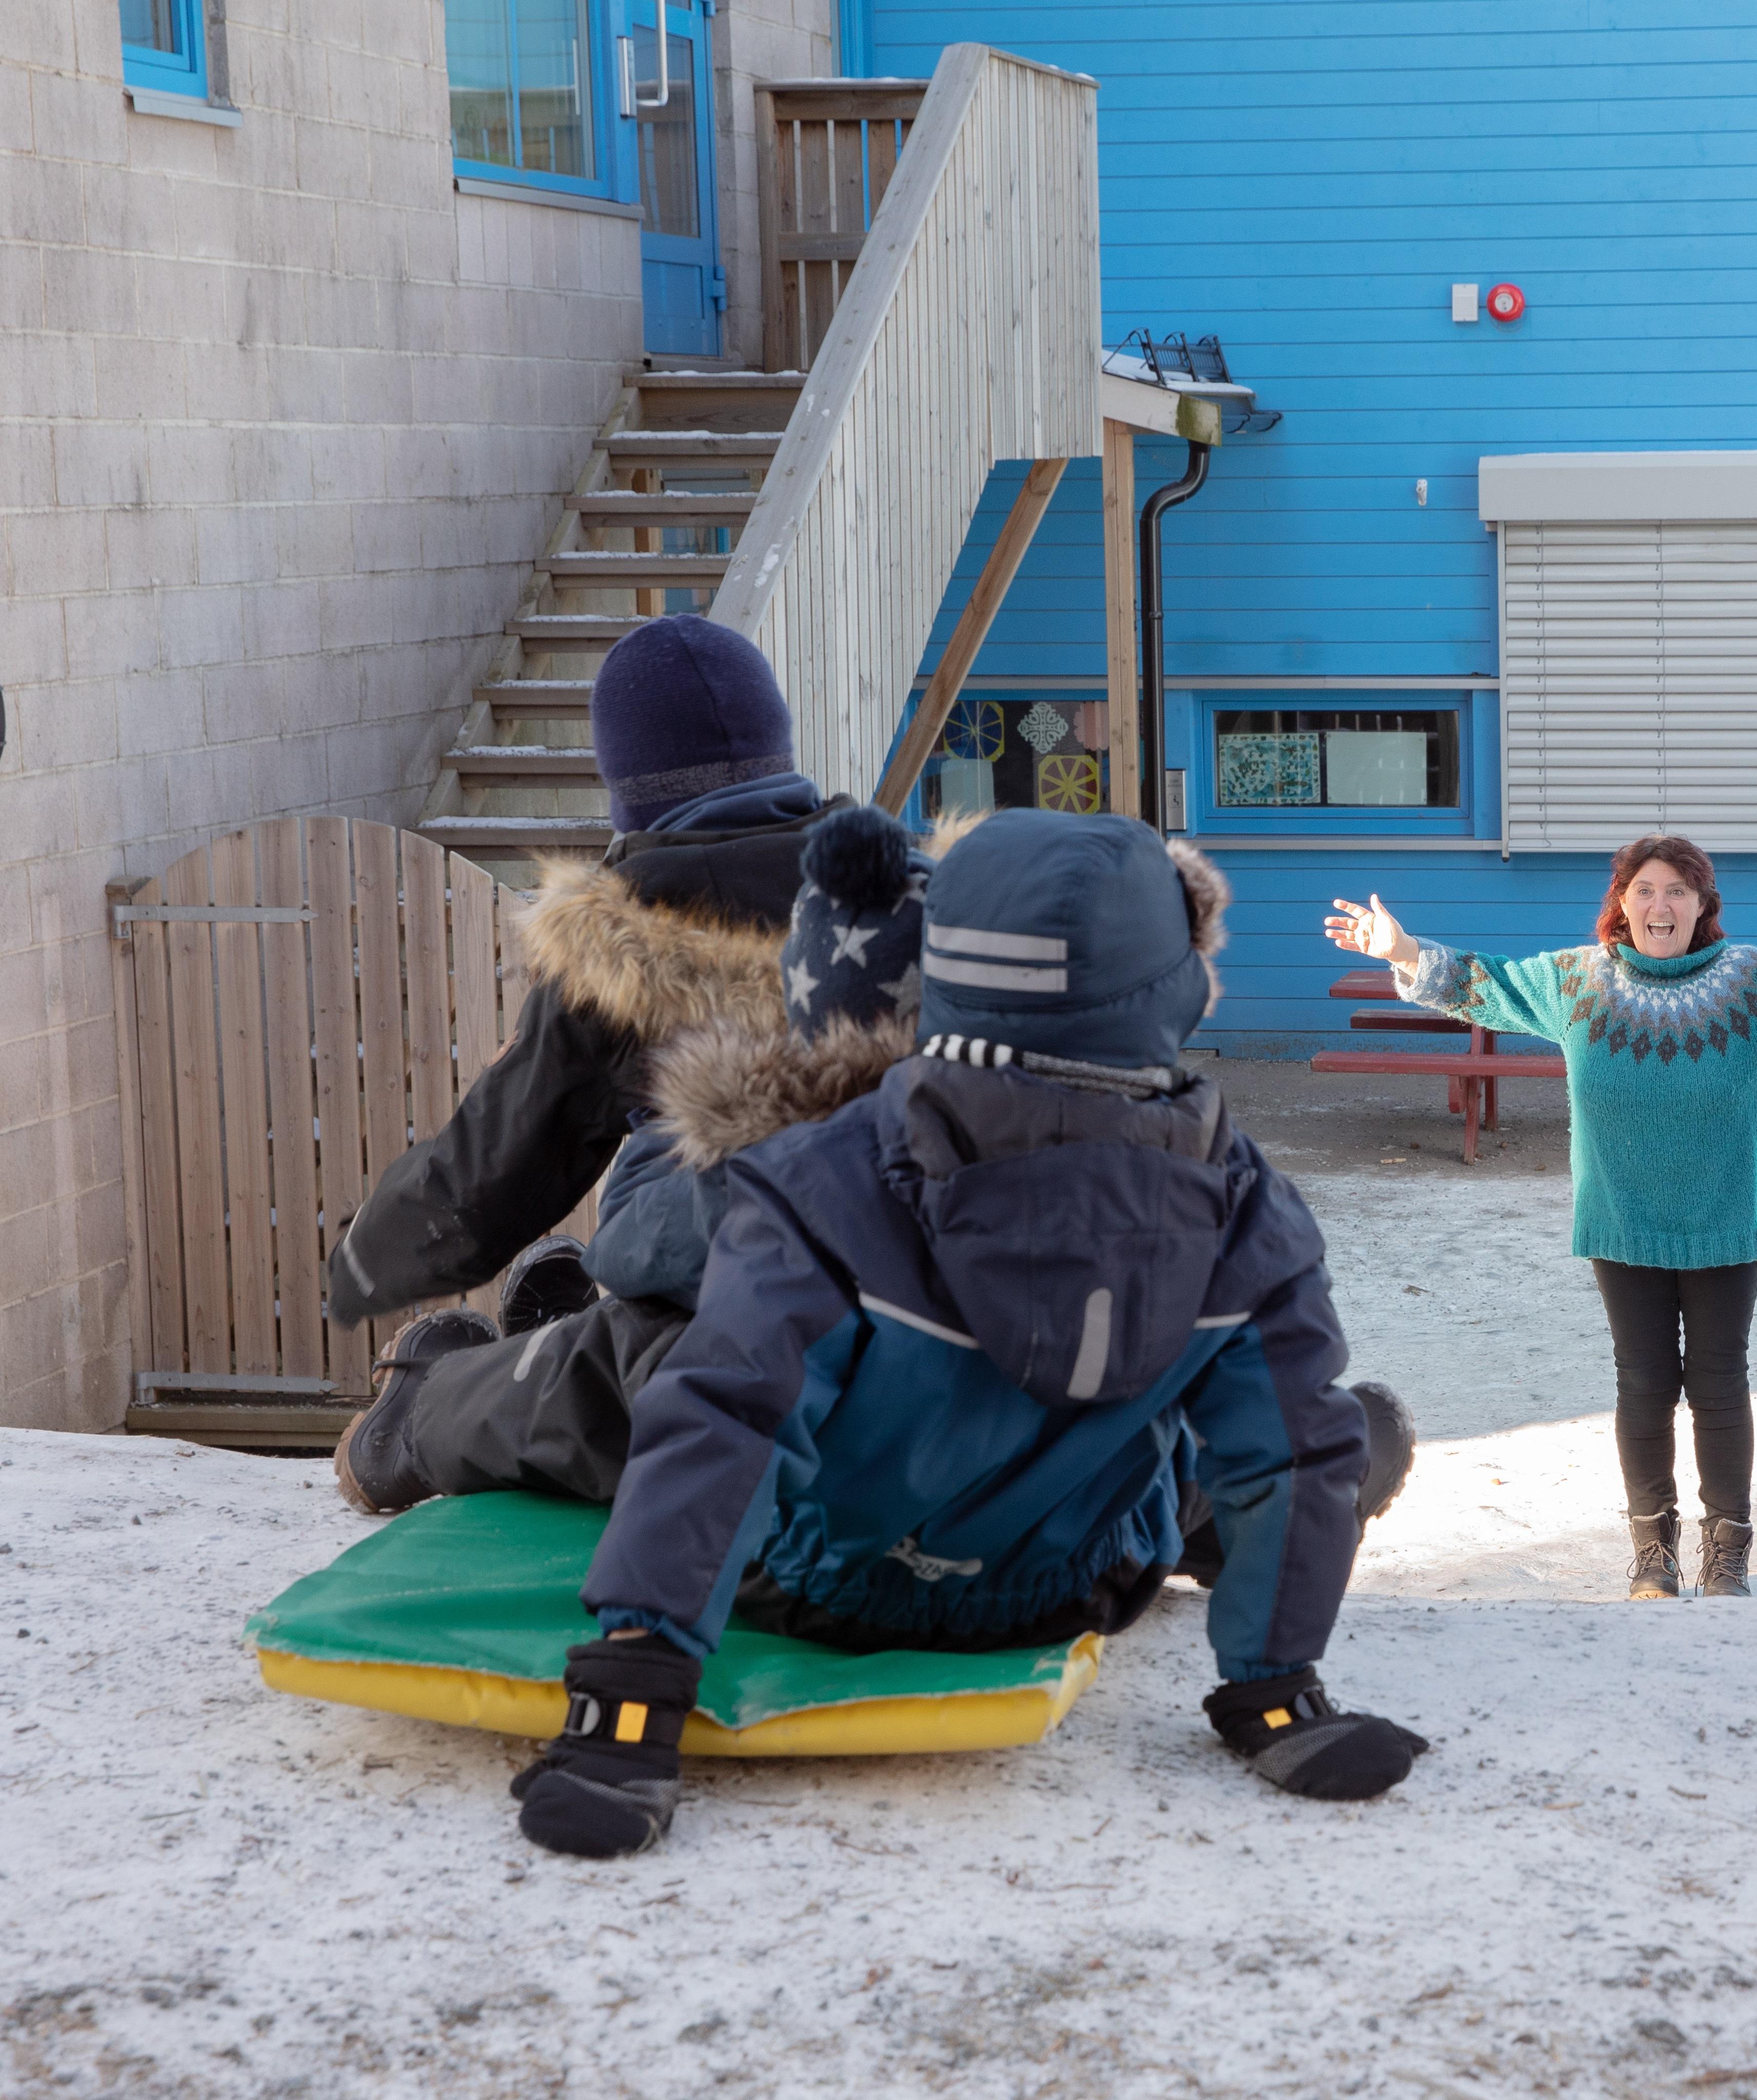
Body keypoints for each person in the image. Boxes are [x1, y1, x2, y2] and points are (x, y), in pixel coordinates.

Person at [512, 811, 1426, 1859]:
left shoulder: (824, 1179)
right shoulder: (1248, 1208)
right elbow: (1287, 1444)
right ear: (1174, 983)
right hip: (1071, 1587)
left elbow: (729, 1411)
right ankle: (1366, 1451)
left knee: (604, 1381)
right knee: (1243, 1436)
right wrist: (1277, 1694)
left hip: (820, 1587)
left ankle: (419, 1405)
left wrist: (633, 1700)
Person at [1325, 837, 1757, 1602]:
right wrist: (1400, 948)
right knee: (1643, 1384)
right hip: (1623, 1218)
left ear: (1703, 906)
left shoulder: (1753, 984)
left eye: (1676, 891)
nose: (1658, 905)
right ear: (1621, 902)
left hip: (1724, 1216)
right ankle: (1652, 1552)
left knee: (1718, 1383)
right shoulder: (1576, 981)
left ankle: (1726, 1551)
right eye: (1643, 889)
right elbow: (1482, 983)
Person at [331, 806, 935, 1514]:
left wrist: (675, 1106)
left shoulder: (799, 1151)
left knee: (611, 1364)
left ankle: (415, 1418)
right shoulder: (1016, 1121)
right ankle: (541, 1345)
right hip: (958, 1460)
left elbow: (626, 1239)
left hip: (795, 1477)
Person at [324, 615, 853, 1354]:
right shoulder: (904, 886)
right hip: (905, 1286)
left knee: (524, 1382)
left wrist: (362, 1261)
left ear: (624, 781)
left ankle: (436, 1405)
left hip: (721, 1319)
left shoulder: (624, 941)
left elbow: (495, 1167)